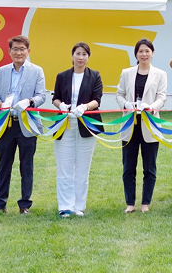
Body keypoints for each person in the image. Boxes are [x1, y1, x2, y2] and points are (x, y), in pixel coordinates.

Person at [0, 35, 47, 214]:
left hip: (27, 124)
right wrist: (0, 104)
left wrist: (29, 102)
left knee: (26, 165)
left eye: (22, 49)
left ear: (28, 51)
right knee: (4, 164)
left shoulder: (37, 71)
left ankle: (24, 205)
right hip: (6, 123)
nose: (18, 52)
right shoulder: (2, 71)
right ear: (9, 51)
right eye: (15, 49)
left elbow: (41, 96)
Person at [116, 38, 168, 213]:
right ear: (136, 54)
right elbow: (119, 94)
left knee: (150, 167)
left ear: (152, 53)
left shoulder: (160, 74)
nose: (144, 54)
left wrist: (152, 107)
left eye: (147, 51)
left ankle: (145, 203)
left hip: (150, 124)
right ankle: (130, 203)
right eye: (141, 51)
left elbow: (162, 97)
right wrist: (126, 105)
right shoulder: (126, 72)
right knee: (128, 167)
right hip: (130, 124)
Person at [52, 42, 103, 218]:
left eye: (84, 54)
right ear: (72, 55)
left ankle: (78, 205)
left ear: (88, 57)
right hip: (65, 124)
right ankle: (65, 206)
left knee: (82, 167)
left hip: (86, 124)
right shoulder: (62, 76)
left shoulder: (95, 75)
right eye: (78, 53)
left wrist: (85, 107)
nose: (81, 57)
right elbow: (55, 98)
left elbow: (97, 99)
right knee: (65, 166)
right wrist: (62, 106)